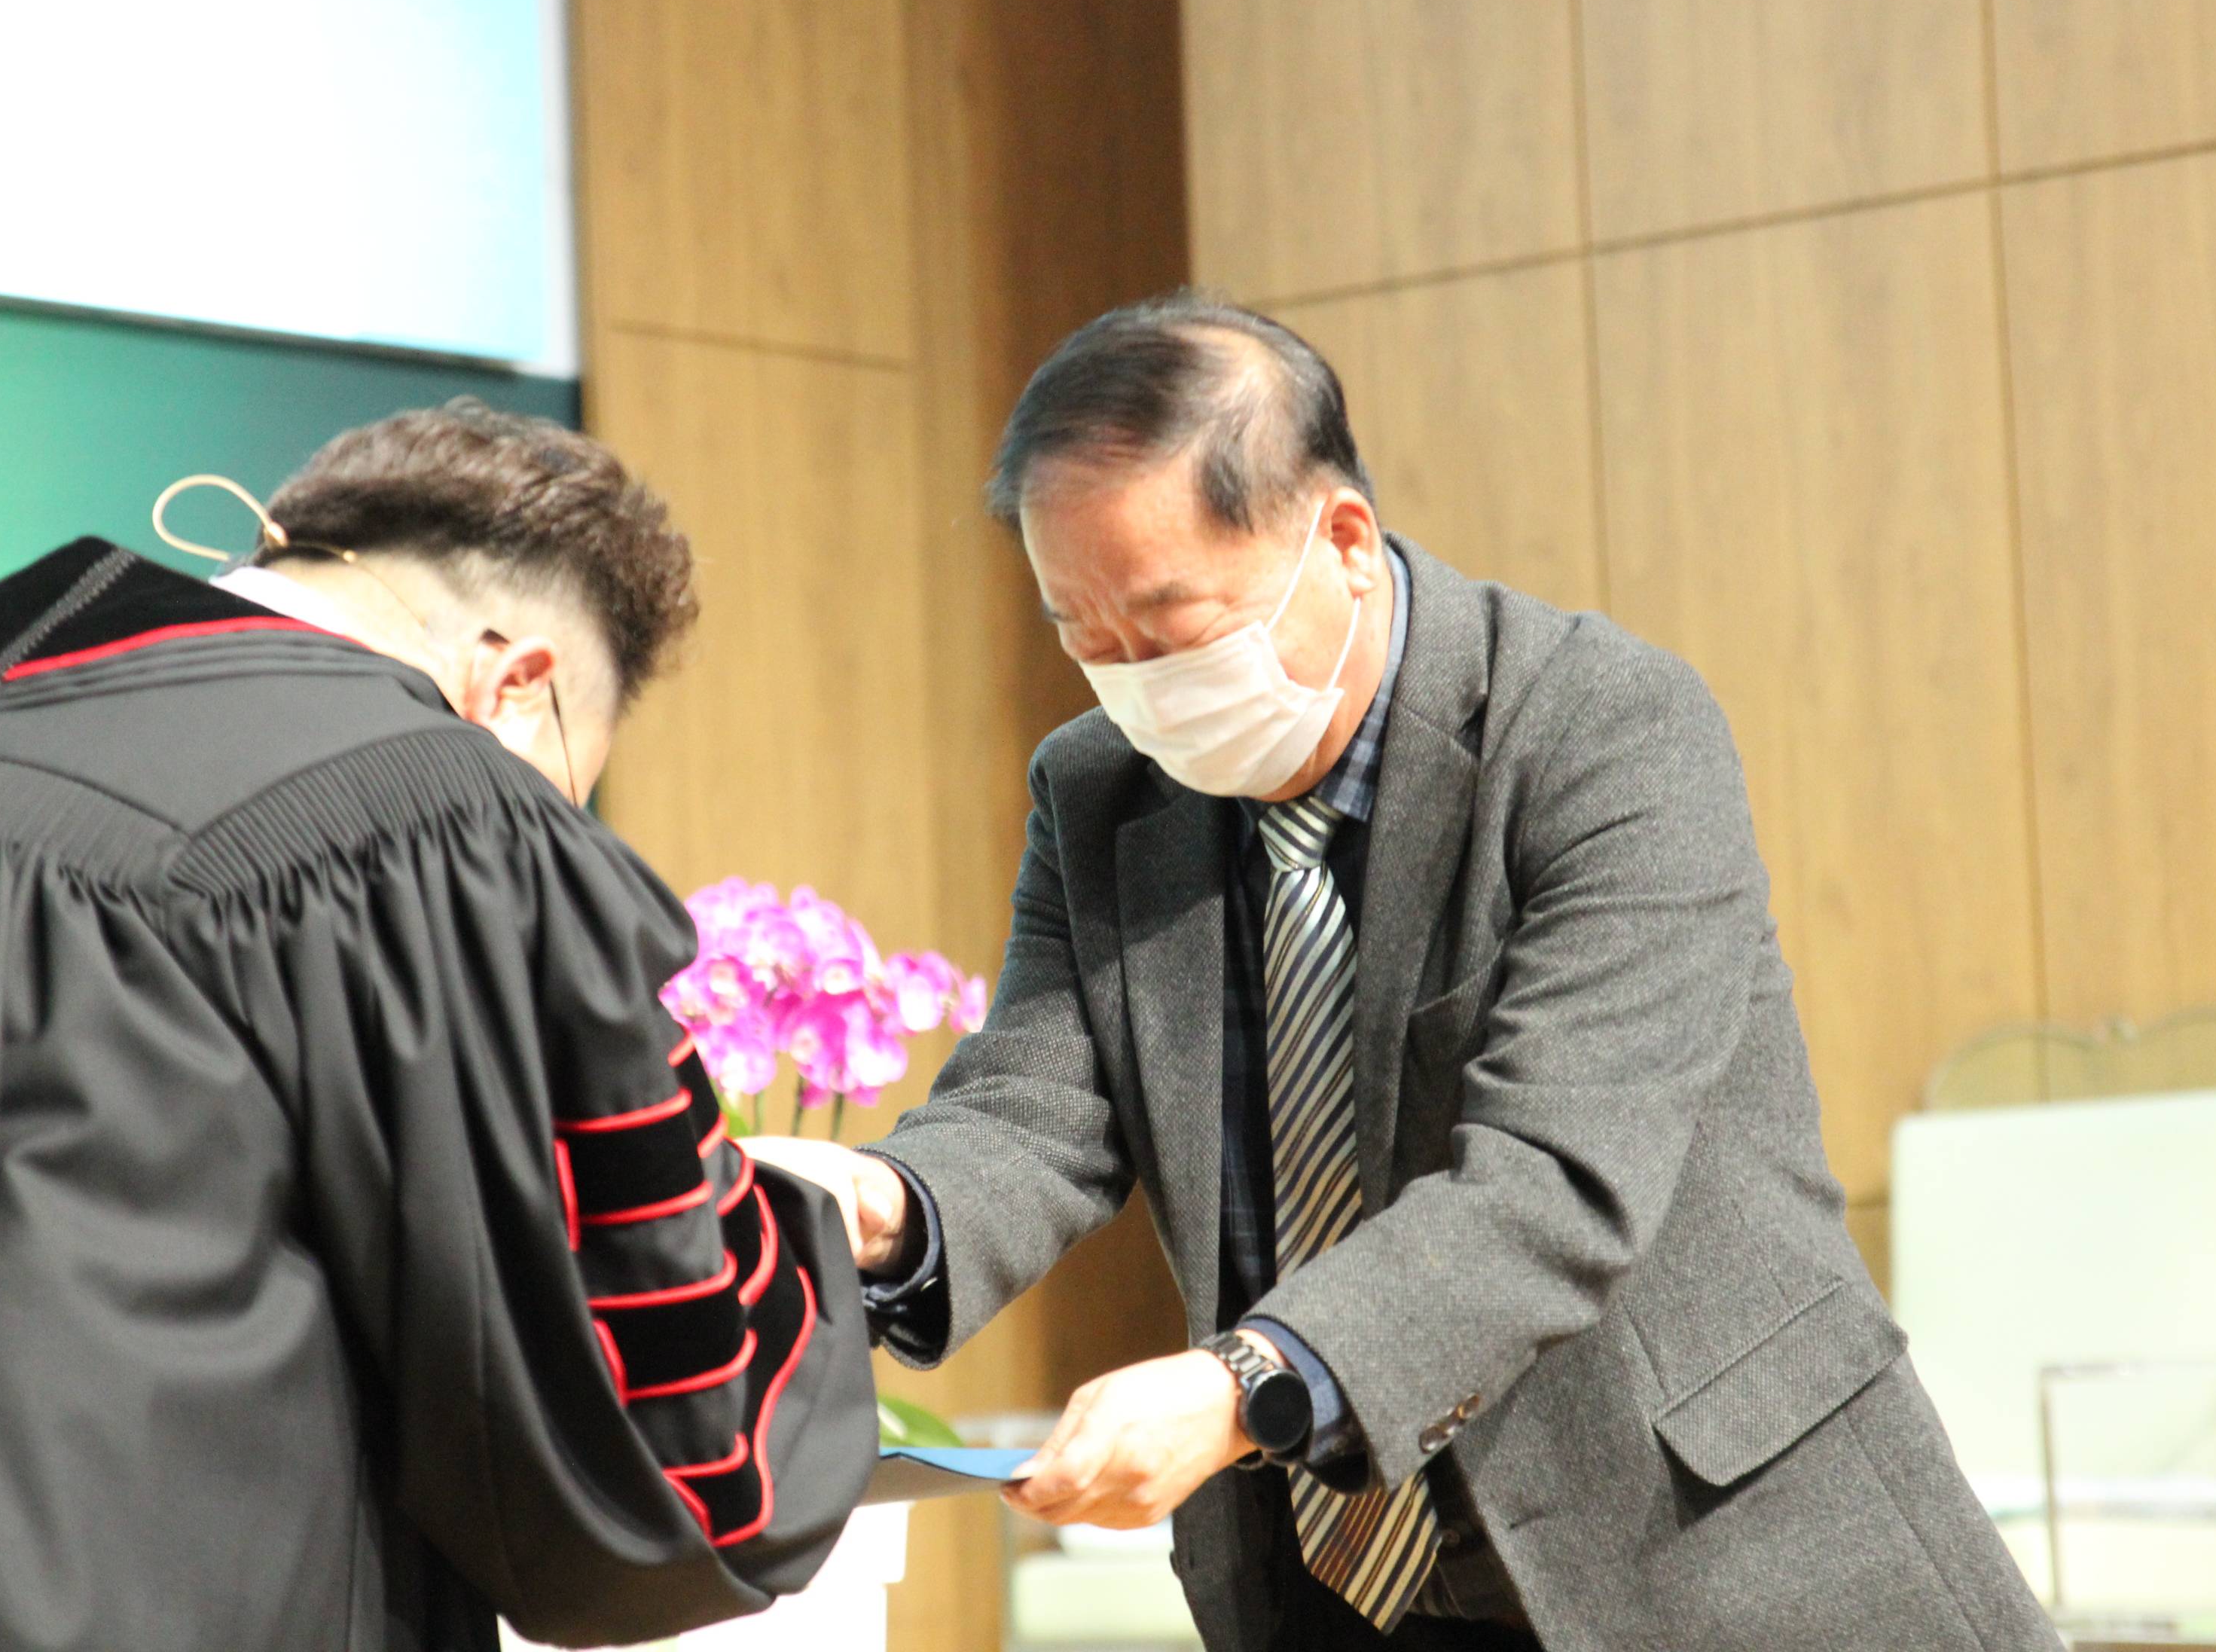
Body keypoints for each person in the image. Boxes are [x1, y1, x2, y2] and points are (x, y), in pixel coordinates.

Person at [745, 296, 2055, 1650]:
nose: (1138, 686)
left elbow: (1556, 1176)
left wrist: (1244, 1380)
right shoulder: (1099, 792)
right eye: (1087, 638)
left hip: (1713, 1551)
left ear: (1343, 543)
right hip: (1339, 1589)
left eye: (1174, 626)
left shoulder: (1604, 730)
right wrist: (876, 1202)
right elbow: (1035, 1109)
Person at [0, 400, 876, 1651]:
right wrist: (810, 1226)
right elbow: (667, 1439)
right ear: (517, 687)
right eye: (572, 777)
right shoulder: (431, 817)